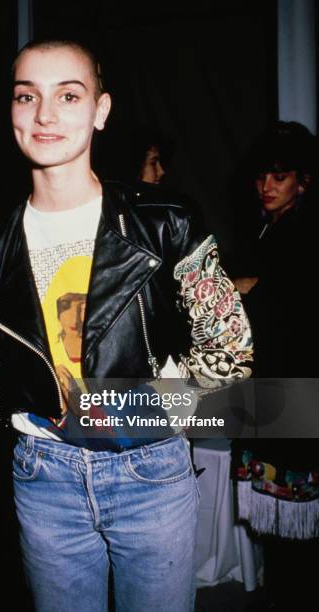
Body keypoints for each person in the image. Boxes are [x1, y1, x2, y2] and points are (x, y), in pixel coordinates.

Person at [0, 38, 252, 612]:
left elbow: (229, 350)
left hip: (151, 468)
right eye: (27, 96)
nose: (45, 114)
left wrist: (137, 411)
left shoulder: (165, 222)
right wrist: (33, 414)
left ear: (100, 111)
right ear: (11, 111)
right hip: (42, 475)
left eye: (68, 95)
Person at [232, 122, 318, 611]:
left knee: (296, 532)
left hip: (296, 394)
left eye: (279, 176)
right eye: (262, 175)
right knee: (285, 535)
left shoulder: (303, 232)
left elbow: (286, 308)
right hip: (279, 394)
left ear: (303, 181)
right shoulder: (275, 227)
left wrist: (250, 290)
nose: (266, 186)